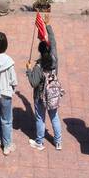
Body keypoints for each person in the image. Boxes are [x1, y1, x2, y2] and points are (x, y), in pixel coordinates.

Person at [26, 23, 63, 152]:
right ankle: (58, 142)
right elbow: (53, 42)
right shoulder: (54, 59)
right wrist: (48, 26)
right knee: (55, 117)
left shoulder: (38, 67)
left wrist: (29, 70)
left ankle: (40, 142)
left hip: (40, 97)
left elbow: (33, 83)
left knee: (40, 118)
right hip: (52, 95)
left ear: (40, 52)